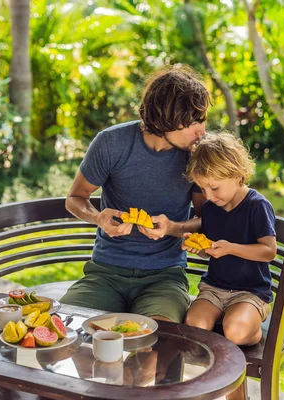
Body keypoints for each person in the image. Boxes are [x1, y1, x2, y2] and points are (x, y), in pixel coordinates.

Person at [61, 65, 210, 323]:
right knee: (69, 327)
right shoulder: (111, 143)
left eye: (202, 119)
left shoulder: (197, 154)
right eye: (193, 122)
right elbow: (75, 198)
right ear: (166, 119)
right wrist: (99, 218)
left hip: (164, 276)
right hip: (105, 273)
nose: (202, 131)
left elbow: (208, 219)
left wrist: (172, 228)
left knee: (158, 342)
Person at [183, 132, 277, 346]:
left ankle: (251, 331)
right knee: (193, 325)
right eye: (203, 189)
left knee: (236, 331)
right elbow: (214, 249)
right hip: (214, 289)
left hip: (251, 292)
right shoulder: (210, 208)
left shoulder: (257, 206)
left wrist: (231, 248)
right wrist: (200, 247)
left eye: (214, 187)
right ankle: (226, 330)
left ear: (237, 174)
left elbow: (268, 251)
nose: (208, 196)